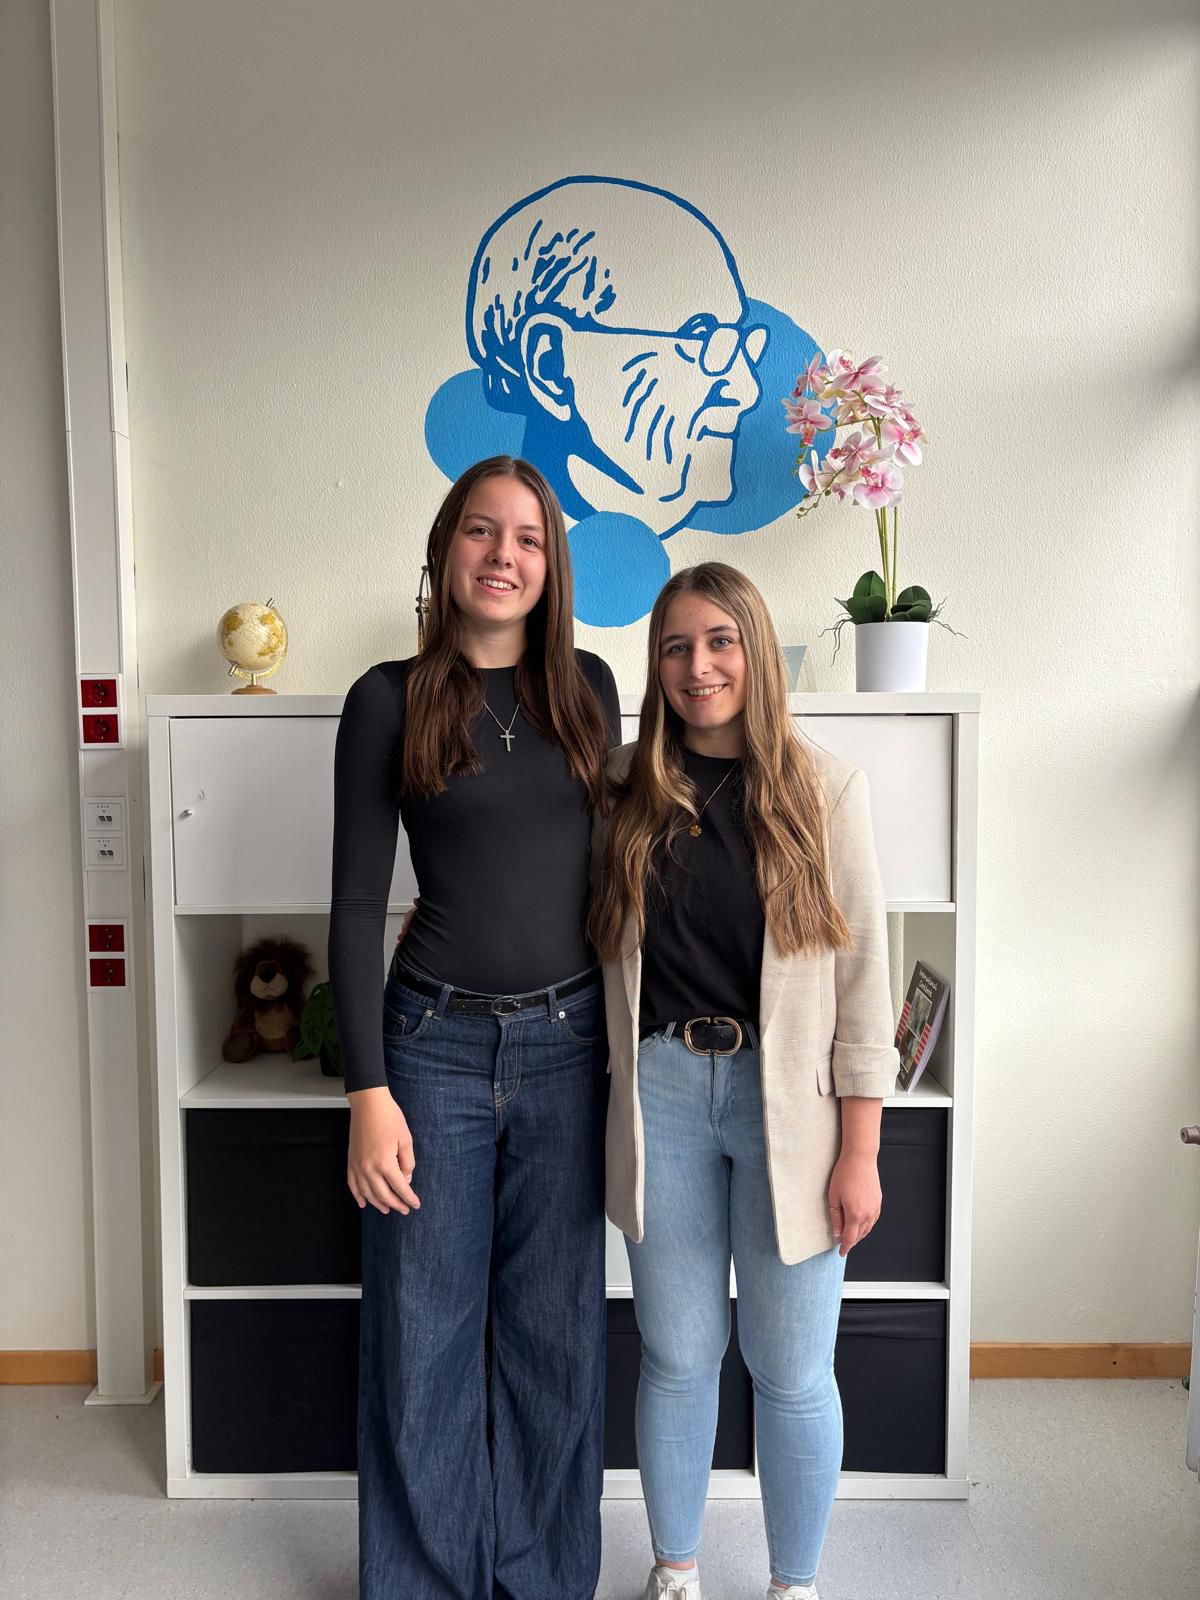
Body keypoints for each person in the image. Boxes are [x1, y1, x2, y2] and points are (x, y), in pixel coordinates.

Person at [329, 455, 621, 1600]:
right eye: (482, 531)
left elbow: (618, 869)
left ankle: (541, 1580)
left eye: (530, 539)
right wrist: (367, 1089)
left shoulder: (589, 688)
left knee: (556, 1337)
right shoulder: (385, 698)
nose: (505, 555)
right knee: (424, 1335)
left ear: (553, 567)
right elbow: (357, 904)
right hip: (431, 1049)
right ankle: (426, 1582)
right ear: (445, 548)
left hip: (570, 1046)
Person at [589, 562, 898, 1600]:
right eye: (676, 647)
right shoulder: (623, 786)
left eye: (719, 641)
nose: (698, 666)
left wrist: (861, 1152)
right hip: (664, 1096)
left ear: (756, 651)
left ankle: (793, 1584)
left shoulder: (826, 789)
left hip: (793, 1112)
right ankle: (675, 1572)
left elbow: (864, 986)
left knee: (792, 1367)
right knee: (677, 1356)